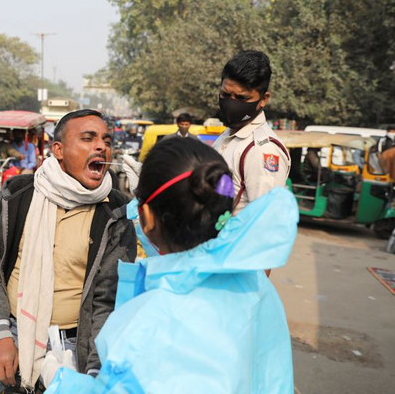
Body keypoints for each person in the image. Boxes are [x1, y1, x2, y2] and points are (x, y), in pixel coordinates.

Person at [47, 137, 297, 394]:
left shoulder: (153, 322)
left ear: (147, 217)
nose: (99, 146)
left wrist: (63, 383)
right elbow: (185, 261)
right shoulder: (252, 281)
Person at [0, 109, 136, 393]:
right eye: (88, 138)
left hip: (80, 339)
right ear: (59, 150)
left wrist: (95, 368)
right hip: (13, 326)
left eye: (106, 140)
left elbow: (108, 301)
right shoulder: (17, 196)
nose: (102, 146)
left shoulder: (117, 213)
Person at [212, 50, 290, 214]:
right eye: (225, 95)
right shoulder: (227, 136)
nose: (231, 104)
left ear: (264, 99)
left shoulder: (261, 150)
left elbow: (264, 222)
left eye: (242, 98)